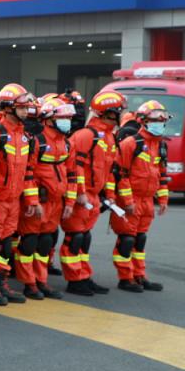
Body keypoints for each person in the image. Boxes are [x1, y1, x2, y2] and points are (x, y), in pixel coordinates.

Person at [0, 83, 39, 305]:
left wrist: (31, 199)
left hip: (14, 200)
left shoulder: (25, 136)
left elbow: (29, 171)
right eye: (22, 108)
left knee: (6, 244)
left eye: (27, 108)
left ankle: (2, 281)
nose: (26, 112)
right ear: (8, 108)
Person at [16, 98, 78, 299]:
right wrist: (33, 202)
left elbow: (71, 175)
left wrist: (69, 203)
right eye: (63, 118)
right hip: (38, 203)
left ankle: (41, 281)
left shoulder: (67, 144)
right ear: (49, 120)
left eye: (68, 118)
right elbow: (28, 173)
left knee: (45, 244)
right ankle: (29, 283)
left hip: (56, 204)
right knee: (29, 243)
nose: (67, 121)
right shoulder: (37, 142)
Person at [65, 89, 125, 295]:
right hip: (82, 195)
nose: (122, 115)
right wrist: (80, 193)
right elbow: (76, 167)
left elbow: (108, 172)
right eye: (119, 111)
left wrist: (109, 197)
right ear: (108, 113)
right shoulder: (86, 136)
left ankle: (84, 275)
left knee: (85, 237)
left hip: (93, 197)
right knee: (75, 238)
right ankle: (75, 280)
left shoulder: (109, 138)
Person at [112, 99, 169, 293]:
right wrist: (127, 201)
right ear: (144, 121)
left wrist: (162, 199)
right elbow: (121, 174)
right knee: (127, 240)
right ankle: (125, 278)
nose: (160, 123)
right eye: (156, 119)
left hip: (146, 202)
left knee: (140, 239)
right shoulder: (130, 144)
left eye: (162, 119)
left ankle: (139, 275)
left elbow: (161, 174)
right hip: (131, 200)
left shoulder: (160, 145)